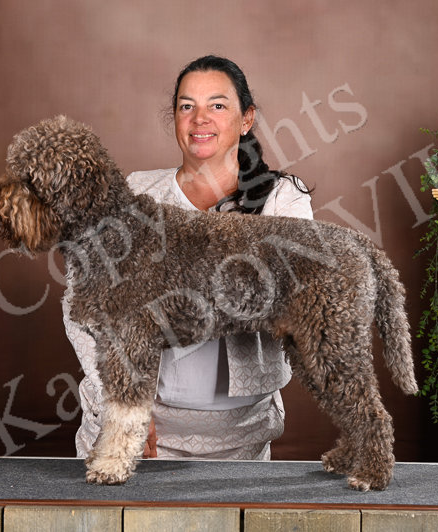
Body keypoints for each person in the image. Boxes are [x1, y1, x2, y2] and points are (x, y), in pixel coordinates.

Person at [63, 55, 314, 460]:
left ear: (246, 119)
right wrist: (123, 403)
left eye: (217, 105)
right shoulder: (135, 192)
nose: (200, 119)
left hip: (240, 440)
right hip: (137, 432)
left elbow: (291, 298)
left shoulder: (283, 198)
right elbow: (80, 307)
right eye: (186, 106)